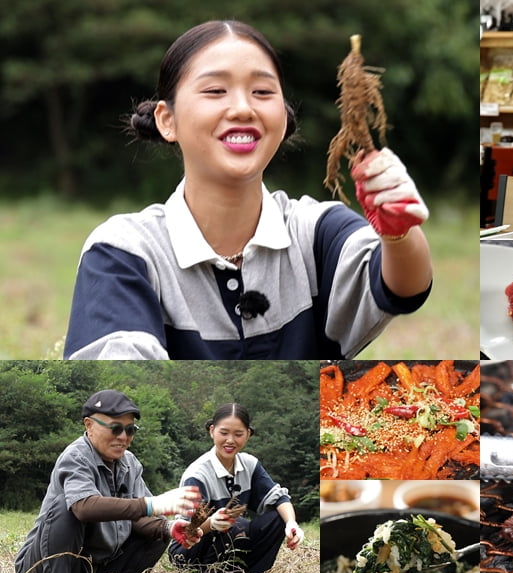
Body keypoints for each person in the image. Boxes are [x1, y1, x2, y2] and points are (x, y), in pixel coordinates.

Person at [63, 20, 433, 360]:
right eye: (215, 90)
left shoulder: (316, 229)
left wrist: (398, 232)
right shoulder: (125, 250)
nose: (242, 108)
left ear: (283, 115)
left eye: (261, 91)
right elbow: (121, 376)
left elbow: (403, 288)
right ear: (166, 120)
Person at [15, 390, 203, 573]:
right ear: (89, 425)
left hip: (91, 571)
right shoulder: (76, 456)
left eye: (130, 430)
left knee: (158, 533)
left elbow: (137, 518)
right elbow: (83, 508)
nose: (123, 437)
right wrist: (151, 504)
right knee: (65, 507)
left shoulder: (130, 463)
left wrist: (168, 527)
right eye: (115, 428)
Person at [168, 403, 304, 573]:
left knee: (277, 518)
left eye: (238, 434)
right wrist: (212, 523)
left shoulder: (250, 465)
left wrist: (291, 523)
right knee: (236, 524)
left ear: (248, 434)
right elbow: (187, 530)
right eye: (223, 433)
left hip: (231, 536)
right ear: (212, 431)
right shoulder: (197, 474)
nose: (230, 440)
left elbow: (278, 498)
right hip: (189, 549)